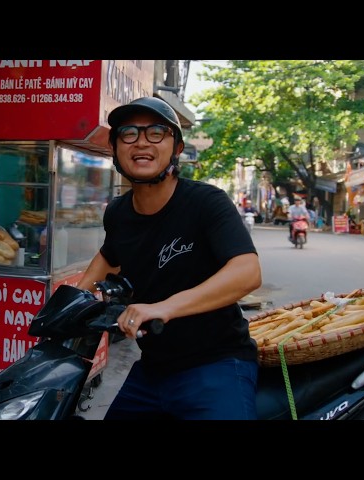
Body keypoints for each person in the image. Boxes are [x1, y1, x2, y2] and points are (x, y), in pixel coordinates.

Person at [76, 96, 262, 420]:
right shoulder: (118, 212)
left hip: (217, 364)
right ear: (116, 149)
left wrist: (164, 308)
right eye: (129, 134)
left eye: (156, 133)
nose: (141, 142)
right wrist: (74, 303)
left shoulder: (206, 203)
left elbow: (247, 271)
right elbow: (109, 256)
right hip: (152, 370)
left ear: (176, 148)